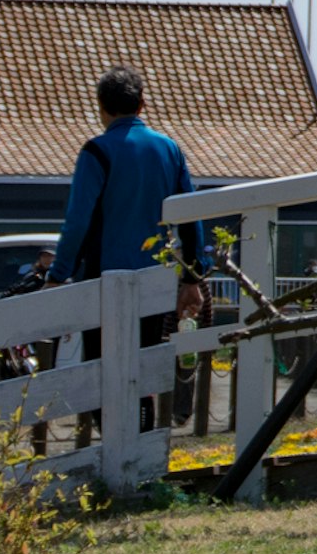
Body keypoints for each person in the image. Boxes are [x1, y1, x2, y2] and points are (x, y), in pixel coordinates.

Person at [53, 66, 212, 428]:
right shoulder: (169, 149)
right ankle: (140, 449)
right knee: (140, 370)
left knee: (101, 369)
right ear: (142, 104)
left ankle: (112, 450)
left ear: (100, 106)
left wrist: (57, 274)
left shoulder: (96, 151)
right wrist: (192, 277)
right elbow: (191, 217)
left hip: (103, 275)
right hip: (153, 277)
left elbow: (78, 221)